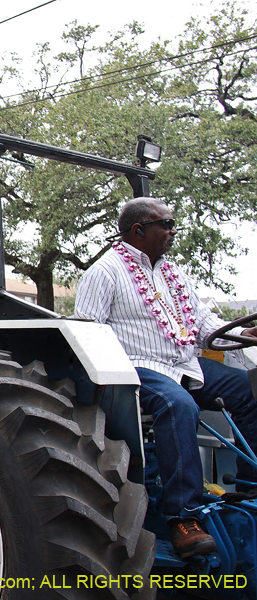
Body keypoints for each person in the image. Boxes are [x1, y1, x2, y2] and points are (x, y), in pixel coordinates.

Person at [74, 196, 257, 558]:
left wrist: (243, 334)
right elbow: (87, 333)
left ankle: (250, 486)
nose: (173, 231)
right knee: (178, 405)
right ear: (139, 230)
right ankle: (183, 517)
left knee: (248, 387)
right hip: (137, 366)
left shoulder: (174, 273)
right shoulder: (105, 271)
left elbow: (204, 325)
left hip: (185, 363)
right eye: (167, 224)